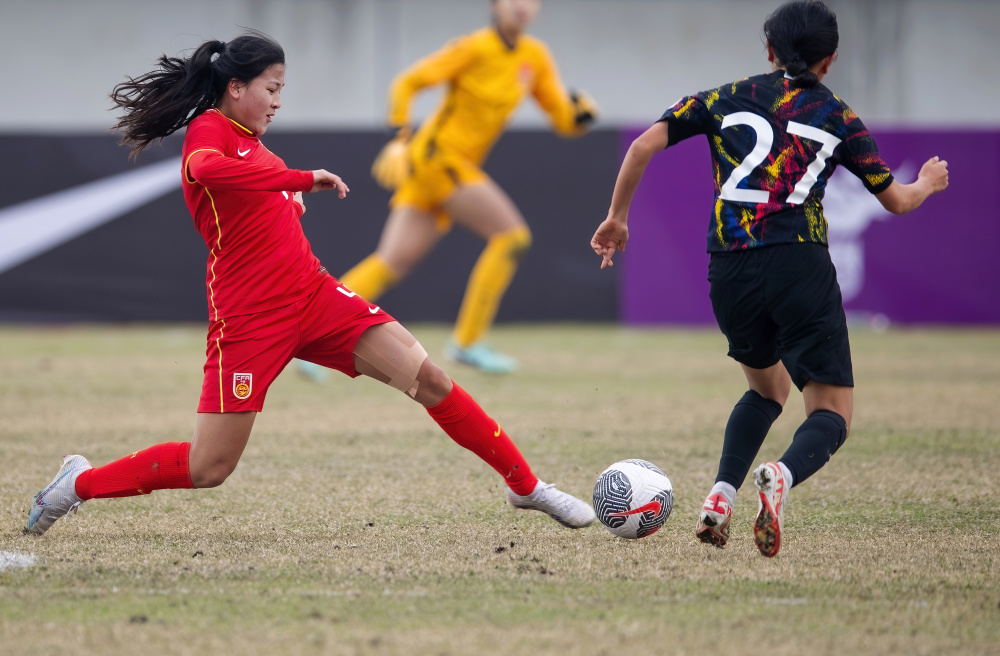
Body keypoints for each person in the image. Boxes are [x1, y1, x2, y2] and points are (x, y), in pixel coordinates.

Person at [26, 31, 595, 536]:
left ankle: (526, 486)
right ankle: (78, 484)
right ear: (235, 88)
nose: (278, 99)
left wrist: (285, 197)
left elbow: (257, 194)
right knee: (209, 469)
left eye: (281, 88)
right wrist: (300, 179)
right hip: (248, 320)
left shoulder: (251, 139)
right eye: (271, 87)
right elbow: (204, 170)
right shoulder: (209, 129)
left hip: (316, 298)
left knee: (432, 380)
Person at [590, 0, 948, 557]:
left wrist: (617, 217)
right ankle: (779, 477)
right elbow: (897, 201)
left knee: (768, 387)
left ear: (768, 50)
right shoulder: (838, 116)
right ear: (830, 59)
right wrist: (926, 182)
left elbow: (641, 146)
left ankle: (720, 496)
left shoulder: (721, 97)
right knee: (830, 409)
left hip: (729, 267)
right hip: (796, 260)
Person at [335, 0, 597, 374]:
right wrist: (399, 137)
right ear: (495, 5)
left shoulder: (535, 57)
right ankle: (468, 342)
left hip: (446, 167)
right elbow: (408, 82)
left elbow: (562, 119)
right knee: (512, 237)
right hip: (439, 160)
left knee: (393, 260)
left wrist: (581, 115)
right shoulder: (473, 47)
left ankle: (316, 329)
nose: (522, 6)